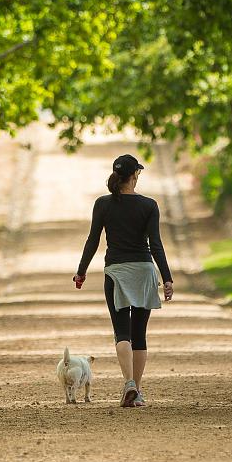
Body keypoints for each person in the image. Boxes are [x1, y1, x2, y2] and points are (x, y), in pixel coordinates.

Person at [73, 154, 174, 407]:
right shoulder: (149, 205)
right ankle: (136, 391)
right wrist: (167, 278)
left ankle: (128, 383)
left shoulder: (103, 204)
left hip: (116, 272)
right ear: (134, 175)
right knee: (139, 334)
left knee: (122, 333)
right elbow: (156, 245)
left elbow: (92, 240)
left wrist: (81, 271)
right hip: (143, 272)